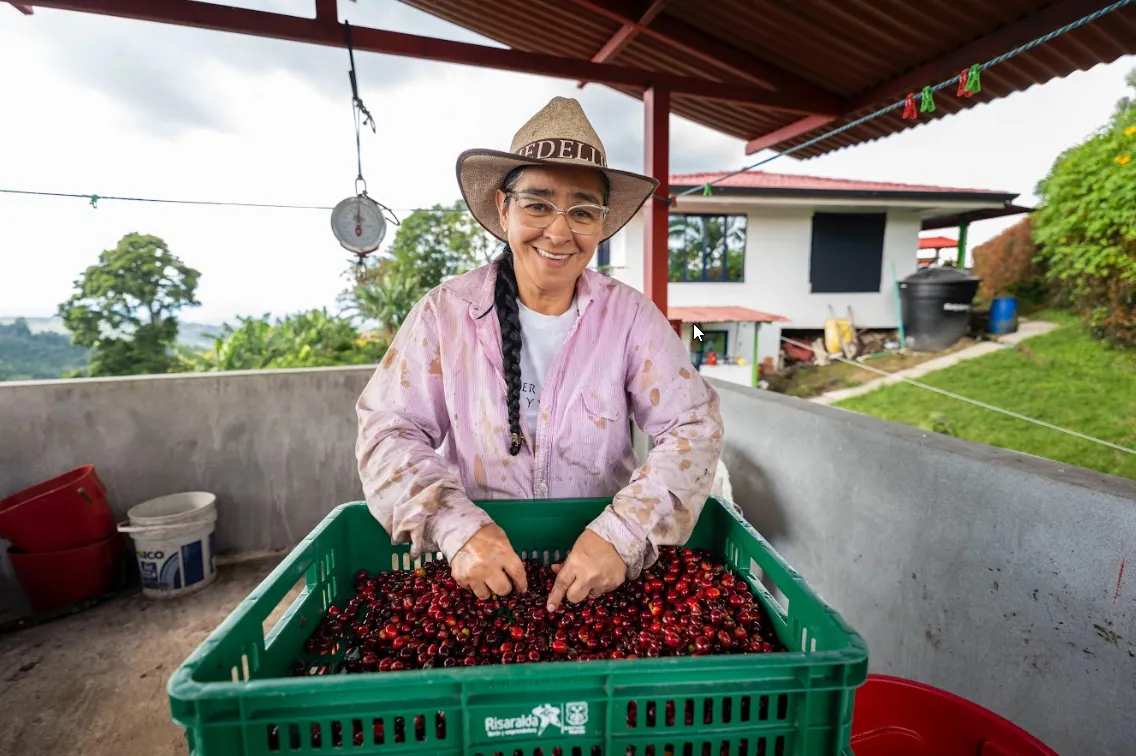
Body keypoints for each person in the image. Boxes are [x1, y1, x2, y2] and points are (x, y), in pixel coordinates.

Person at [355, 96, 723, 613]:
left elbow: (692, 426)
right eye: (538, 204)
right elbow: (388, 432)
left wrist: (623, 533)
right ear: (504, 209)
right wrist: (457, 528)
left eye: (581, 211)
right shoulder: (446, 315)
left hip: (601, 574)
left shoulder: (632, 319)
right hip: (478, 575)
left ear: (601, 224)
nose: (558, 231)